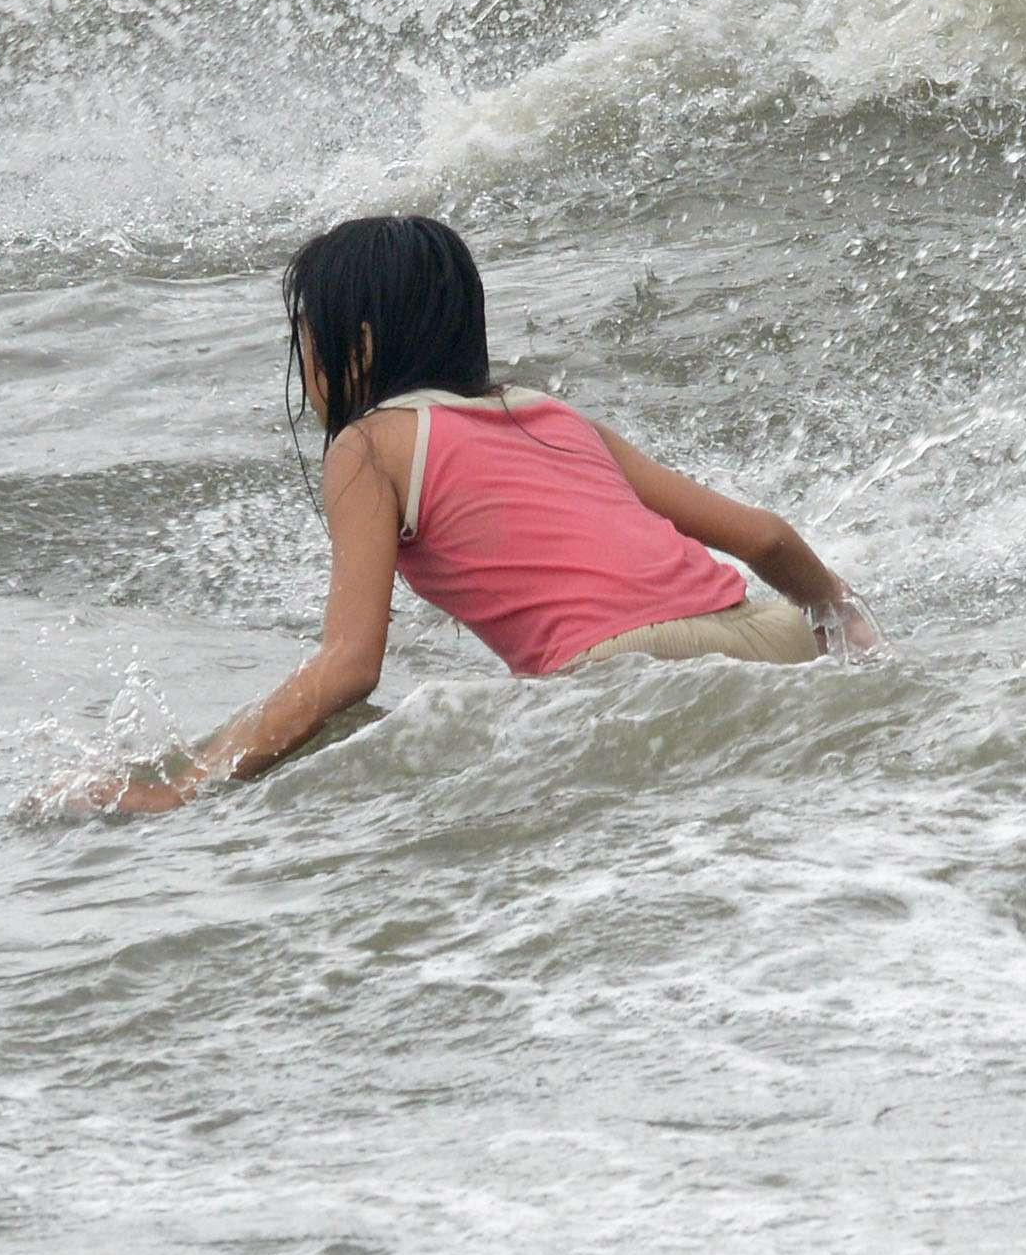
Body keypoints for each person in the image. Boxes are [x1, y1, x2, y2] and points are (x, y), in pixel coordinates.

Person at [99, 214, 874, 814]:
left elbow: (350, 665)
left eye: (303, 335)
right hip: (771, 633)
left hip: (628, 671)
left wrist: (189, 786)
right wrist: (843, 619)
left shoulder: (368, 448)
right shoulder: (558, 417)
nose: (302, 360)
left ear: (356, 347)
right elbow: (765, 536)